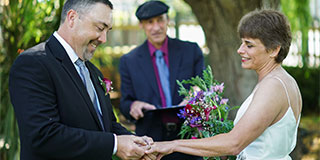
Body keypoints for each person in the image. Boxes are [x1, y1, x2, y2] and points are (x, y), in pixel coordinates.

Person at [146, 9, 303, 160]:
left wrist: (173, 145)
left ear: (274, 50)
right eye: (242, 43)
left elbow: (234, 143)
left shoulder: (273, 86)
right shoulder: (282, 80)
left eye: (249, 45)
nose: (240, 50)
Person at [9, 0, 156, 160]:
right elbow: (43, 135)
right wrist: (115, 144)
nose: (104, 39)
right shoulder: (33, 63)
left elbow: (107, 125)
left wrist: (136, 141)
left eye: (108, 30)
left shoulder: (94, 72)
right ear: (72, 18)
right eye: (100, 28)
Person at [119, 1, 204, 159]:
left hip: (188, 140)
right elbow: (125, 103)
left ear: (168, 21)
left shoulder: (191, 51)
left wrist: (195, 95)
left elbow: (204, 86)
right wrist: (134, 105)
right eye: (150, 22)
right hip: (150, 144)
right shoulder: (128, 61)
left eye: (160, 20)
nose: (156, 27)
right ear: (141, 25)